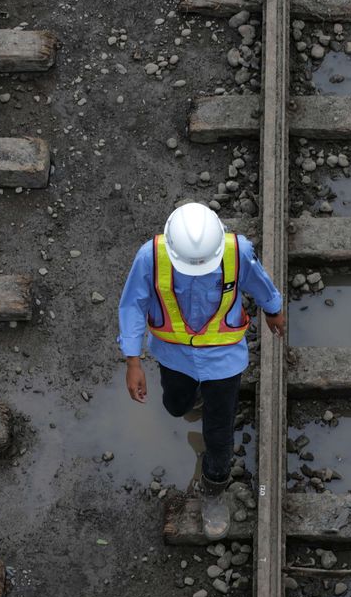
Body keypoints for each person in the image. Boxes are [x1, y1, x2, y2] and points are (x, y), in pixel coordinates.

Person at [117, 202, 285, 539]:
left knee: (219, 434)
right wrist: (133, 361)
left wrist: (273, 308)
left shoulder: (237, 251)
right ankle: (194, 400)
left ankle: (214, 492)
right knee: (176, 406)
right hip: (174, 356)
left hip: (223, 362)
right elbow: (132, 303)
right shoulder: (151, 257)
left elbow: (258, 280)